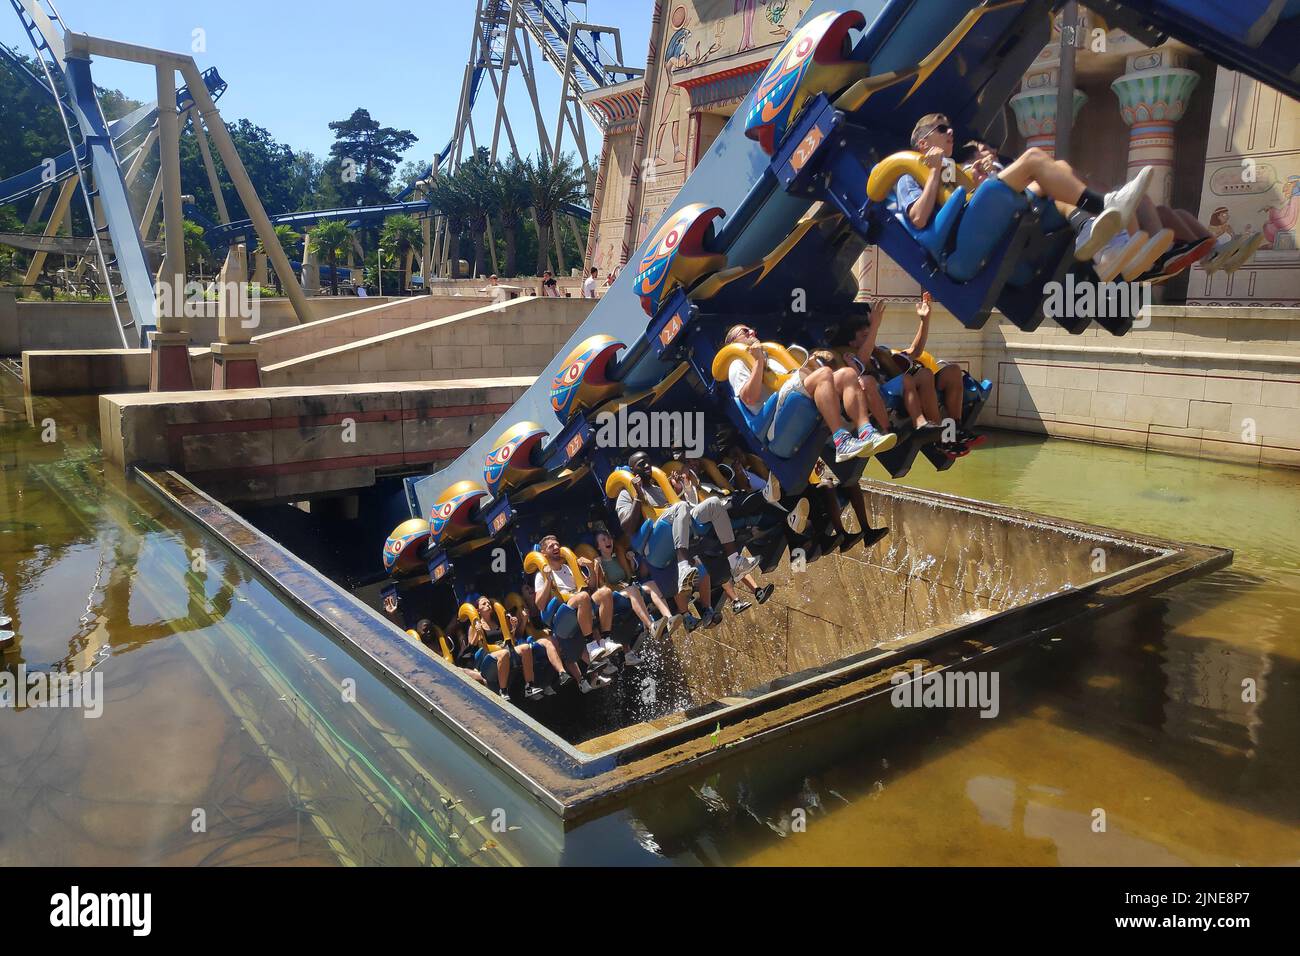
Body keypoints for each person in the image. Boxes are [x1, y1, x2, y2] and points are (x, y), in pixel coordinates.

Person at [902, 113, 1153, 261]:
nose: (951, 131)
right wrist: (934, 171)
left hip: (984, 214)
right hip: (967, 233)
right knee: (1033, 158)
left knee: (1060, 171)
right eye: (942, 127)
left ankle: (1108, 238)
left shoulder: (954, 167)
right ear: (923, 143)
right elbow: (919, 219)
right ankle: (1104, 205)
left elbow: (968, 192)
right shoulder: (909, 174)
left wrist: (980, 174)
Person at [723, 324, 897, 463]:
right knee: (824, 374)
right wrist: (758, 362)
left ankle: (866, 431)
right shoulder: (737, 363)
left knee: (847, 375)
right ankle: (841, 440)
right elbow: (749, 397)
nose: (752, 331)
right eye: (745, 331)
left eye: (752, 329)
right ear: (733, 342)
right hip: (774, 415)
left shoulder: (769, 354)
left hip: (789, 394)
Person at [615, 451, 761, 595]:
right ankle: (683, 565)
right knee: (680, 507)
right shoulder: (626, 494)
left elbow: (681, 510)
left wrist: (679, 488)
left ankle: (735, 561)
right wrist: (638, 498)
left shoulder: (658, 488)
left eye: (648, 461)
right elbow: (627, 527)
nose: (647, 465)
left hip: (674, 526)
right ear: (633, 471)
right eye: (641, 464)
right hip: (653, 540)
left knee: (713, 503)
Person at [532, 535, 617, 692]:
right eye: (551, 546)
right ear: (544, 553)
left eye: (557, 544)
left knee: (605, 592)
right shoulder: (540, 576)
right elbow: (539, 605)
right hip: (562, 613)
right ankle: (592, 646)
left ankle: (606, 641)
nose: (556, 548)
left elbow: (591, 587)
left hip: (581, 604)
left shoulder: (569, 567)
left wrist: (590, 569)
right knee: (582, 597)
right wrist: (549, 581)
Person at [465, 595, 550, 701]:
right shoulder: (474, 626)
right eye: (484, 604)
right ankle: (503, 691)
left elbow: (510, 639)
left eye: (488, 603)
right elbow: (471, 648)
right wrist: (477, 633)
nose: (488, 605)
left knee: (525, 648)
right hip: (489, 655)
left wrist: (513, 628)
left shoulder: (497, 621)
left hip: (505, 648)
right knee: (504, 653)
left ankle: (529, 686)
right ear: (478, 610)